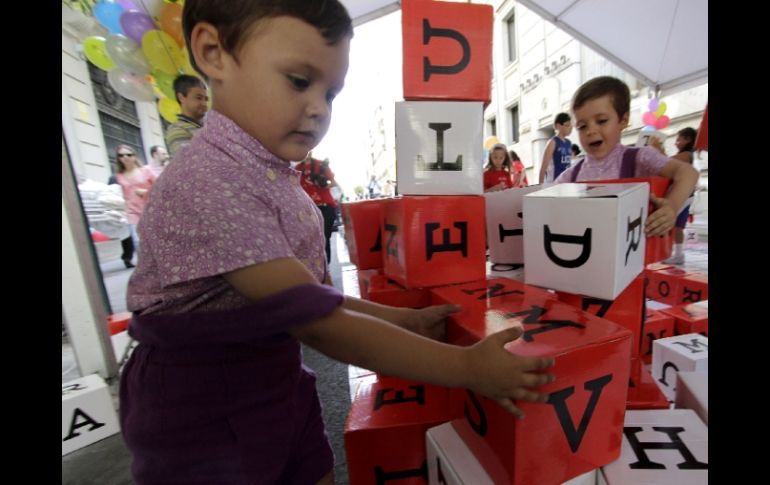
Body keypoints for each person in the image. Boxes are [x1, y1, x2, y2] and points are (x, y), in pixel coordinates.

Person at [120, 2, 555, 484]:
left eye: (331, 93)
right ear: (212, 52)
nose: (318, 109)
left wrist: (401, 320)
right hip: (201, 405)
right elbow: (318, 321)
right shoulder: (208, 179)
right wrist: (467, 367)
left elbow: (314, 297)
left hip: (275, 374)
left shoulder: (267, 171)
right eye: (299, 81)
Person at [554, 76, 699, 237]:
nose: (590, 131)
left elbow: (688, 172)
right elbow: (546, 199)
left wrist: (672, 205)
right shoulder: (571, 174)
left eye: (601, 121)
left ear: (623, 120)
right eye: (582, 126)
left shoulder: (639, 158)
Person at [649, 127, 698, 264]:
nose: (676, 143)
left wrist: (658, 149)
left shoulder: (687, 154)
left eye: (678, 139)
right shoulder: (687, 154)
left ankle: (675, 253)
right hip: (686, 195)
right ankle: (678, 254)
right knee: (677, 225)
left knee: (672, 222)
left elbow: (664, 161)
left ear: (688, 139)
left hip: (683, 195)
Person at [113, 144, 156, 258]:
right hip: (132, 212)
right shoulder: (119, 176)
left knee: (154, 239)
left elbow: (160, 187)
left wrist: (146, 192)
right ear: (118, 158)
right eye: (121, 155)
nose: (125, 157)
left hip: (150, 210)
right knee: (138, 241)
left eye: (128, 154)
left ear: (134, 156)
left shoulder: (145, 171)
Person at [297, 152, 340, 263]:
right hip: (308, 208)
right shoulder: (297, 169)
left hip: (326, 207)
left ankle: (326, 267)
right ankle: (317, 266)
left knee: (325, 237)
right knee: (312, 239)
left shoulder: (321, 165)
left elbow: (334, 183)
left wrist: (323, 185)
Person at [164, 74, 209, 158]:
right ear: (181, 97)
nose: (204, 104)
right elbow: (191, 161)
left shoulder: (211, 124)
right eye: (198, 98)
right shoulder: (177, 130)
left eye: (206, 99)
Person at [539, 112, 573, 183]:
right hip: (554, 183)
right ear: (558, 126)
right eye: (567, 125)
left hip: (566, 183)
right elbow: (543, 168)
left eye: (571, 125)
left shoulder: (569, 143)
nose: (570, 128)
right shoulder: (553, 142)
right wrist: (540, 186)